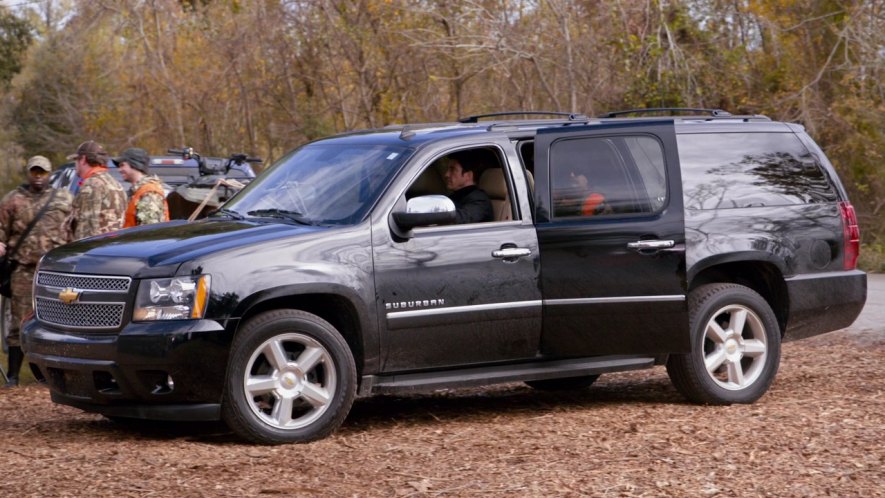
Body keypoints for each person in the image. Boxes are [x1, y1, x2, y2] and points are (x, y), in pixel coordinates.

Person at [0, 156, 73, 387]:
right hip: (23, 270)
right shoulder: (13, 200)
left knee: (60, 321)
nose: (38, 176)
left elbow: (74, 229)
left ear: (50, 173)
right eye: (34, 172)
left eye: (42, 172)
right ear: (28, 173)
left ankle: (61, 374)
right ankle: (13, 377)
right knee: (18, 324)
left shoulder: (64, 198)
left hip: (56, 272)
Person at [67, 140, 127, 239]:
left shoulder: (92, 185)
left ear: (83, 159)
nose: (75, 164)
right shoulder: (116, 184)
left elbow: (87, 229)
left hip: (96, 249)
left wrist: (81, 252)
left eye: (76, 160)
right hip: (114, 248)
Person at [115, 147, 170, 227]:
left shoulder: (149, 193)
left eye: (122, 165)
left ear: (134, 165)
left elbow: (150, 232)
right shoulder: (137, 192)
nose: (119, 170)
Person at [443, 151, 493, 224]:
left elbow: (461, 219)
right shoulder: (454, 196)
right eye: (448, 169)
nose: (446, 174)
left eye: (452, 170)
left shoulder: (480, 200)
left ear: (468, 175)